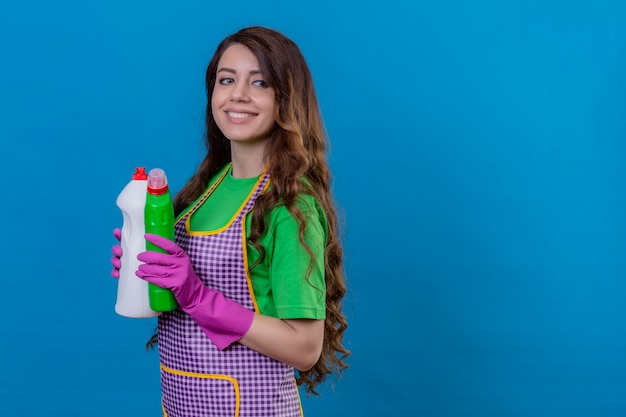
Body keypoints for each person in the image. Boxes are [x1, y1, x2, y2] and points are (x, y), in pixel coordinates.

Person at [110, 25, 349, 417]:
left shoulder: (290, 204)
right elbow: (180, 297)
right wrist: (145, 269)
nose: (238, 94)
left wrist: (196, 295)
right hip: (183, 405)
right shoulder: (207, 188)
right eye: (227, 80)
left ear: (286, 100)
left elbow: (305, 349)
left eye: (260, 82)